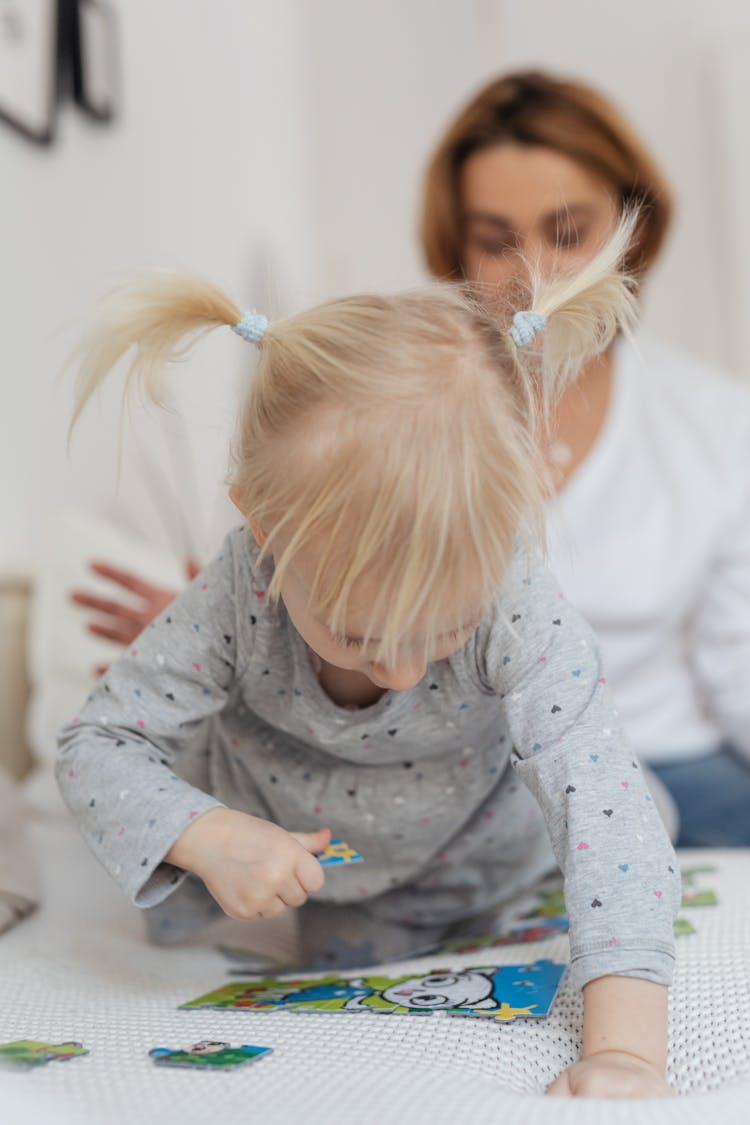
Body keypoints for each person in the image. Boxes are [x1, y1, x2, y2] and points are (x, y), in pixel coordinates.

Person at [57, 236, 679, 1099]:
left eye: (445, 628)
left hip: (488, 842)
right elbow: (96, 743)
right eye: (355, 634)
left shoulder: (514, 597)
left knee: (630, 815)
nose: (402, 670)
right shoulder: (241, 588)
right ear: (267, 529)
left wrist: (626, 1055)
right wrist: (208, 833)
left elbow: (600, 815)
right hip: (351, 878)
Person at [420, 69, 750, 846]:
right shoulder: (400, 411)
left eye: (568, 233)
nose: (535, 273)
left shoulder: (717, 422)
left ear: (634, 232)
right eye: (497, 239)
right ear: (455, 245)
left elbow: (739, 667)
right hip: (475, 778)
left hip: (671, 765)